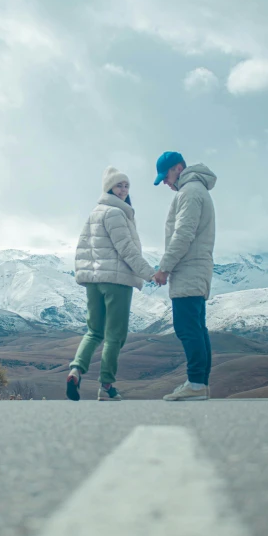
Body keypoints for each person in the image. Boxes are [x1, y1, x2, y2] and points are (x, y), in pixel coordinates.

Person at [67, 166, 158, 402]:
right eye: (119, 185)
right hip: (116, 281)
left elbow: (82, 249)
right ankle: (106, 386)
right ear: (109, 187)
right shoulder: (116, 214)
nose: (124, 190)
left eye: (126, 185)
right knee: (115, 335)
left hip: (94, 282)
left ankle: (76, 370)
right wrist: (149, 273)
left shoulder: (94, 213)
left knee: (94, 331)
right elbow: (126, 249)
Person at [152, 151, 217, 401]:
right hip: (195, 268)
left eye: (166, 176)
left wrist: (164, 268)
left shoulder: (189, 192)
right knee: (197, 329)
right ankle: (200, 383)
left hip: (189, 269)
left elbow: (183, 234)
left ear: (178, 168)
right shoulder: (197, 190)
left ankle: (196, 385)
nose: (166, 183)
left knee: (188, 328)